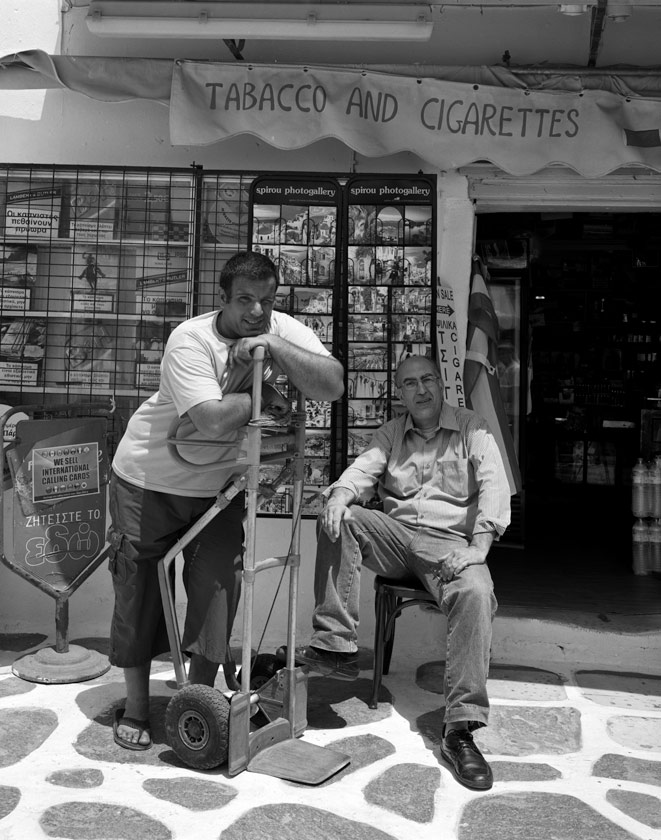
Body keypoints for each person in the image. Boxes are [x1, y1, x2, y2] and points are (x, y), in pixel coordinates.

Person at [108, 250, 344, 750]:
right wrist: (270, 398)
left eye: (266, 301)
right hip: (148, 478)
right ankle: (134, 705)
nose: (256, 311)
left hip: (217, 486)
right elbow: (213, 419)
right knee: (141, 588)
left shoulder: (277, 328)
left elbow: (332, 384)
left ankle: (199, 699)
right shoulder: (190, 339)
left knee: (221, 585)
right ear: (221, 298)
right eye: (244, 301)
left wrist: (271, 347)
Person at [296, 354, 511, 791]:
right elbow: (362, 471)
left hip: (449, 545)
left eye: (428, 379)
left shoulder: (471, 428)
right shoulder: (392, 432)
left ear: (441, 384)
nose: (421, 390)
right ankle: (336, 646)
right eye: (410, 383)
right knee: (341, 516)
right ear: (401, 393)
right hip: (396, 536)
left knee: (474, 593)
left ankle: (460, 730)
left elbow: (494, 484)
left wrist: (479, 546)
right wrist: (340, 495)